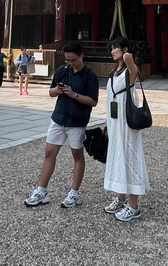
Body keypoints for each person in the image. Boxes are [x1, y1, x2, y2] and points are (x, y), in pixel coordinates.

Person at [24, 40, 99, 209]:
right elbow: (50, 92)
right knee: (49, 153)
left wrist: (74, 95)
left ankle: (75, 192)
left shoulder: (90, 76)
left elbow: (93, 101)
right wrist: (57, 91)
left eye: (73, 60)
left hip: (77, 121)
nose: (70, 63)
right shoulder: (62, 71)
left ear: (81, 56)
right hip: (59, 117)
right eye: (67, 60)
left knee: (77, 155)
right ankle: (41, 191)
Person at [104, 37, 149, 222]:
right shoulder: (114, 72)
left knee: (130, 157)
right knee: (117, 157)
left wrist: (129, 57)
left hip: (127, 124)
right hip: (115, 123)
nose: (112, 51)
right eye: (112, 48)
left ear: (124, 49)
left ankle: (134, 205)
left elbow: (134, 70)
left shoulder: (128, 71)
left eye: (115, 48)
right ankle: (121, 197)